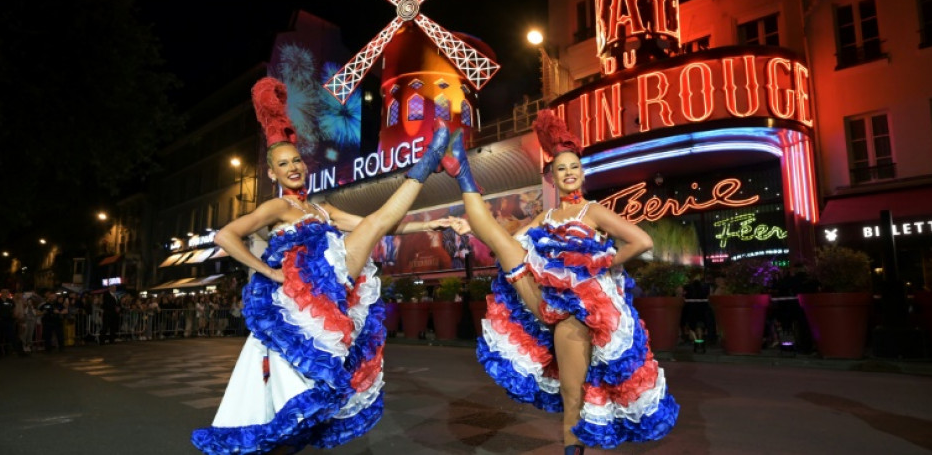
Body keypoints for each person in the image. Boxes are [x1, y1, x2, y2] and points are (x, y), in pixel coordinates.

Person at [191, 77, 452, 454]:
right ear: (272, 174)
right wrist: (268, 271)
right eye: (283, 164)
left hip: (326, 294)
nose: (293, 167)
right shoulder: (277, 207)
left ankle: (427, 165)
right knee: (282, 405)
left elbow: (372, 226)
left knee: (298, 403)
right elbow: (225, 236)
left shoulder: (322, 209)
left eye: (295, 160)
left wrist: (427, 224)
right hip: (300, 298)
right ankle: (427, 163)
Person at [444, 110, 679, 454]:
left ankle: (574, 449)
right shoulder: (547, 216)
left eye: (574, 167)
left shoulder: (593, 211)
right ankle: (462, 175)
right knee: (504, 245)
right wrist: (470, 229)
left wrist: (600, 262)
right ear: (552, 177)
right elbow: (512, 240)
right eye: (561, 168)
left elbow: (642, 241)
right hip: (546, 300)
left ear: (582, 174)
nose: (569, 173)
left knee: (574, 395)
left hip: (580, 313)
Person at [0, 289, 27, 358]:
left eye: (6, 292)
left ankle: (19, 352)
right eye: (3, 292)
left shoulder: (10, 301)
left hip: (8, 321)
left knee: (13, 336)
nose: (5, 293)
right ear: (1, 293)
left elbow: (12, 310)